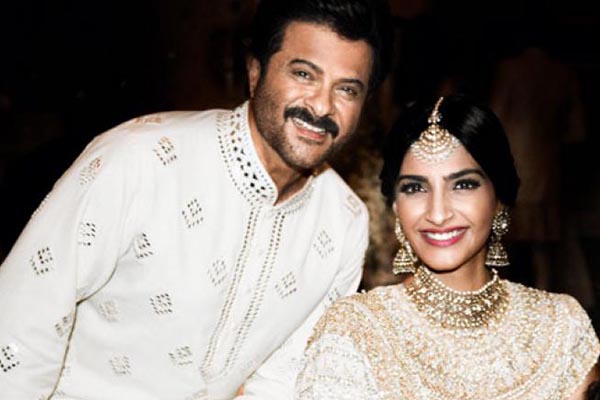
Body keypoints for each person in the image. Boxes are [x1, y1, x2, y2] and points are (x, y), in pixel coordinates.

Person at [0, 0, 393, 398]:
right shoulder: (141, 158)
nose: (322, 106)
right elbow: (21, 322)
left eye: (347, 90)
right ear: (255, 72)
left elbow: (283, 382)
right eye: (304, 74)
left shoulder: (344, 222)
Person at [296, 95, 600, 399]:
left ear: (499, 200)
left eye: (463, 185)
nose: (438, 213)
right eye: (415, 188)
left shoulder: (561, 326)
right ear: (396, 206)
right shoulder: (355, 330)